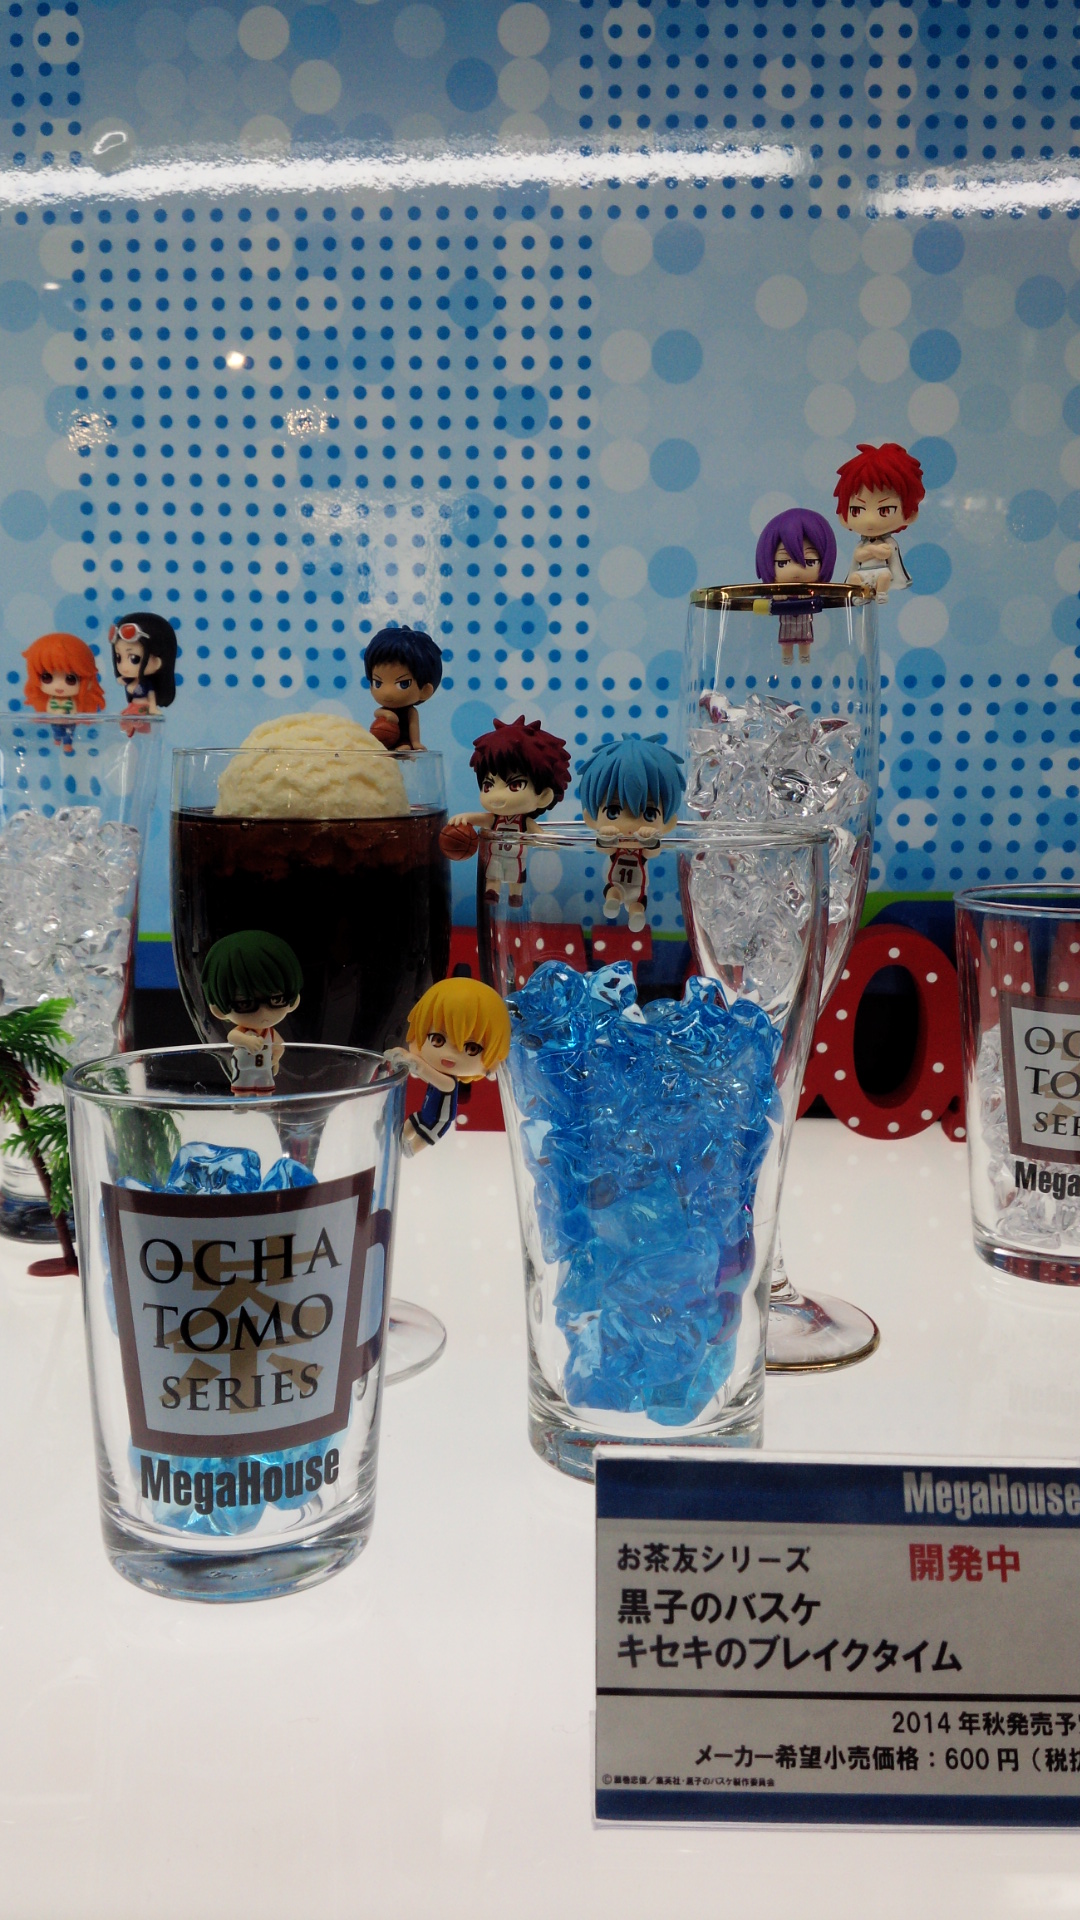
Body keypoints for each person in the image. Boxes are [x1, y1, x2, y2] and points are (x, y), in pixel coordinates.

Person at [440, 714, 572, 905]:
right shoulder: (494, 820)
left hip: (516, 857)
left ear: (543, 796)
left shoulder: (524, 823)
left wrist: (546, 839)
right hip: (496, 856)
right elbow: (478, 819)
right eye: (488, 786)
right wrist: (464, 817)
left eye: (515, 785)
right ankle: (492, 892)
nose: (496, 796)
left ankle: (515, 895)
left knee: (516, 877)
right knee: (493, 874)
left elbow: (537, 834)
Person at [385, 978, 511, 1155]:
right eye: (438, 1039)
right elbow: (423, 1072)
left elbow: (426, 1072)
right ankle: (390, 1142)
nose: (449, 1054)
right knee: (410, 1124)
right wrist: (407, 1058)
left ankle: (407, 1151)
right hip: (425, 1112)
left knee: (417, 1143)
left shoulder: (449, 1083)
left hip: (439, 1120)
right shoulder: (433, 1072)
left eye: (471, 1048)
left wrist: (414, 1062)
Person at [578, 734, 685, 933]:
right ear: (590, 819)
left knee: (637, 903)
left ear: (669, 823)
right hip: (615, 881)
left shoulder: (643, 847)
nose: (629, 825)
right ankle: (612, 902)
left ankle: (636, 916)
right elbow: (602, 848)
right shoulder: (615, 845)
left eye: (649, 813)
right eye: (613, 812)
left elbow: (653, 852)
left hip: (638, 884)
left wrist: (650, 839)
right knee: (613, 891)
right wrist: (606, 836)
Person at [201, 930, 303, 1095]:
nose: (264, 1012)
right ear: (219, 1009)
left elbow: (279, 1047)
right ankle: (241, 1105)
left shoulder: (270, 1033)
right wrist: (247, 1041)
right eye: (245, 1004)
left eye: (277, 1000)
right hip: (244, 1069)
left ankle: (264, 1104)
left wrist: (276, 1059)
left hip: (264, 1070)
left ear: (293, 999)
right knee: (242, 1093)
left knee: (265, 1094)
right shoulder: (244, 1031)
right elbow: (233, 1037)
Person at [834, 442, 926, 602]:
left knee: (885, 577)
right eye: (856, 510)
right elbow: (858, 556)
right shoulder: (862, 544)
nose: (870, 520)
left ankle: (881, 594)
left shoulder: (889, 543)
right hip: (862, 574)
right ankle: (859, 596)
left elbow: (886, 554)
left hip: (881, 572)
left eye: (884, 510)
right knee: (855, 579)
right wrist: (873, 551)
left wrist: (871, 551)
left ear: (910, 514)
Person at [754, 507, 837, 665]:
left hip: (805, 621)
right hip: (786, 622)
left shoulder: (814, 594)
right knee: (786, 642)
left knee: (805, 640)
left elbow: (822, 602)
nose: (796, 570)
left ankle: (805, 657)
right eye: (783, 563)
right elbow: (763, 604)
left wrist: (811, 597)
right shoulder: (777, 593)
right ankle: (787, 657)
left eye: (810, 562)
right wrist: (775, 598)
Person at [362, 625, 443, 751]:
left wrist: (416, 743)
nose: (388, 692)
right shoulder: (385, 709)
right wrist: (386, 714)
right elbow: (377, 713)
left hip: (404, 741)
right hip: (383, 742)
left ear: (425, 690)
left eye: (403, 684)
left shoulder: (411, 712)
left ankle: (403, 747)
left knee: (404, 747)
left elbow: (413, 726)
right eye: (378, 683)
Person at [22, 631, 106, 751]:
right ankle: (57, 738)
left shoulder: (73, 701)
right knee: (56, 729)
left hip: (69, 719)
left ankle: (67, 743)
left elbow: (74, 711)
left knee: (70, 731)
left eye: (70, 679)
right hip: (55, 719)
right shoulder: (50, 701)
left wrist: (70, 714)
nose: (59, 686)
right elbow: (49, 711)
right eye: (47, 677)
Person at [109, 612, 178, 712]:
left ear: (157, 662)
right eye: (118, 657)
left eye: (134, 658)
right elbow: (121, 681)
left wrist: (153, 708)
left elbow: (151, 697)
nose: (123, 666)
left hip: (144, 710)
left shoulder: (146, 685)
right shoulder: (129, 680)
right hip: (133, 707)